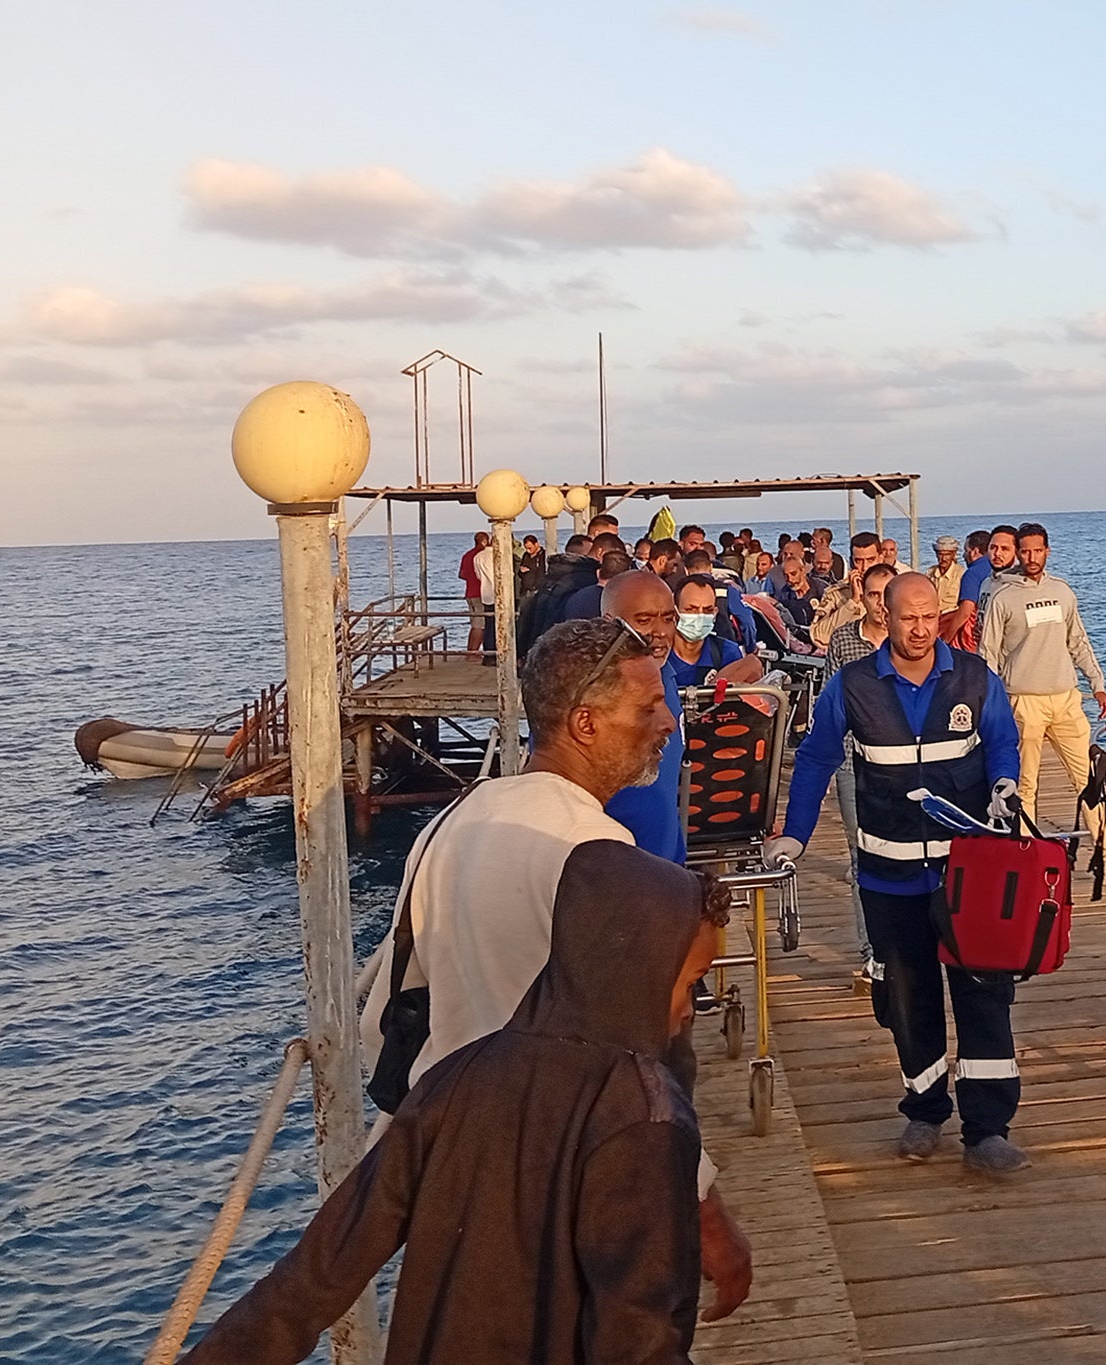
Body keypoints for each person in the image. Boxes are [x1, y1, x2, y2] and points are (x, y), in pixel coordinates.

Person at [188, 836, 728, 1365]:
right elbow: (639, 1339)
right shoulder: (648, 1120)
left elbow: (317, 1273)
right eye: (691, 982)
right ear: (637, 967)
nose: (690, 1010)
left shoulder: (458, 1073)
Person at [353, 616, 751, 1329]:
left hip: (452, 1170)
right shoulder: (592, 851)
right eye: (648, 706)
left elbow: (387, 1005)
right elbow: (628, 1059)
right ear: (586, 723)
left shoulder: (455, 820)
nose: (667, 720)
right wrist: (706, 1211)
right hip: (556, 1179)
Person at [765, 573, 1030, 1172]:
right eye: (907, 617)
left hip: (969, 876)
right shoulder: (851, 686)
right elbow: (814, 761)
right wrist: (795, 836)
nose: (919, 629)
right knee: (907, 1001)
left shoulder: (973, 677)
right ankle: (925, 1110)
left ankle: (988, 1127)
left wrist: (1005, 784)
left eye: (929, 617)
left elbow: (1002, 743)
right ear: (882, 613)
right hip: (890, 877)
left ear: (940, 616)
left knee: (985, 997)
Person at [980, 522, 1106, 882]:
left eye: (1038, 550)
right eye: (1025, 551)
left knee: (1089, 779)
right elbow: (987, 655)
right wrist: (991, 702)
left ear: (1047, 551)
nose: (1031, 558)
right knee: (1026, 785)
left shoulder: (1062, 592)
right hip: (1023, 701)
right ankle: (1027, 862)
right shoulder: (1003, 597)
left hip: (1066, 699)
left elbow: (1077, 640)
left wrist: (1096, 682)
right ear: (1018, 553)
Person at [823, 562, 898, 985]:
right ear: (862, 597)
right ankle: (872, 952)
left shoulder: (911, 642)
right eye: (873, 595)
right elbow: (832, 705)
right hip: (855, 762)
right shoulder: (844, 641)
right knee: (862, 856)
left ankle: (908, 945)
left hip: (905, 765)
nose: (882, 605)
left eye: (889, 596)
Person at [600, 572, 693, 867]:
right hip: (613, 871)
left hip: (667, 869)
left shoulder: (666, 678)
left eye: (668, 618)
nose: (660, 631)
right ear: (608, 621)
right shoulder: (590, 693)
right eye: (644, 620)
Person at [666, 575, 764, 689]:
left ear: (715, 613)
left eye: (707, 610)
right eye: (691, 609)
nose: (700, 616)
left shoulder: (727, 652)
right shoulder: (659, 654)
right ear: (674, 613)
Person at [945, 525, 1019, 650]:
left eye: (1005, 549)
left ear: (974, 552)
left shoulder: (972, 573)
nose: (997, 553)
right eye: (993, 548)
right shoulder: (995, 577)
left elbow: (966, 611)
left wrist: (945, 640)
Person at [810, 532, 885, 649]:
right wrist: (852, 602)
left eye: (870, 560)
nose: (865, 567)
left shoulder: (898, 589)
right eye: (859, 561)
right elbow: (819, 637)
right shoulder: (835, 593)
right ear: (851, 561)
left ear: (880, 558)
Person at [772, 545, 827, 629]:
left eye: (793, 574)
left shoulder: (821, 588)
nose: (790, 579)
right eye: (786, 576)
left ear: (803, 570)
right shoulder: (783, 594)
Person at [459, 531, 490, 654]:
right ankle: (474, 653)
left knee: (474, 624)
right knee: (480, 625)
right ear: (484, 541)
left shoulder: (467, 555)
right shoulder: (482, 555)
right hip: (480, 593)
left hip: (469, 592)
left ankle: (470, 651)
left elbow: (462, 574)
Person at [471, 534, 499, 665]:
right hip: (499, 593)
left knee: (488, 624)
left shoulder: (478, 557)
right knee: (499, 624)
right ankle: (498, 653)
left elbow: (478, 575)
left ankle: (488, 654)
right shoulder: (497, 555)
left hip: (486, 593)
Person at [926, 535, 963, 612]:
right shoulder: (930, 573)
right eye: (940, 554)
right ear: (936, 554)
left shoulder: (961, 574)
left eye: (947, 555)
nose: (943, 558)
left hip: (951, 615)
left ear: (953, 554)